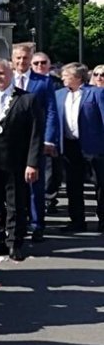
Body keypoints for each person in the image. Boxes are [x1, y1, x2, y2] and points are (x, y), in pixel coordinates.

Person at [0, 59, 43, 261]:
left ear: (10, 73)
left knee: (15, 204)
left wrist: (32, 163)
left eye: (1, 73)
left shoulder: (27, 99)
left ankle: (14, 242)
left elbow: (35, 134)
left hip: (16, 161)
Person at [10, 43, 59, 242]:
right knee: (13, 185)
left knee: (34, 184)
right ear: (13, 59)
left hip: (35, 139)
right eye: (18, 58)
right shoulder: (6, 79)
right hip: (12, 140)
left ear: (30, 59)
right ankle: (18, 223)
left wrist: (49, 139)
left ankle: (38, 224)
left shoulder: (43, 82)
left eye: (25, 58)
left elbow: (51, 111)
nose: (22, 61)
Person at [54, 63, 104, 233]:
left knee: (100, 184)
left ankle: (102, 220)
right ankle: (77, 221)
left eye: (66, 75)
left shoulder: (96, 93)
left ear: (77, 77)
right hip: (69, 146)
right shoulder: (59, 95)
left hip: (93, 146)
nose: (62, 78)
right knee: (73, 185)